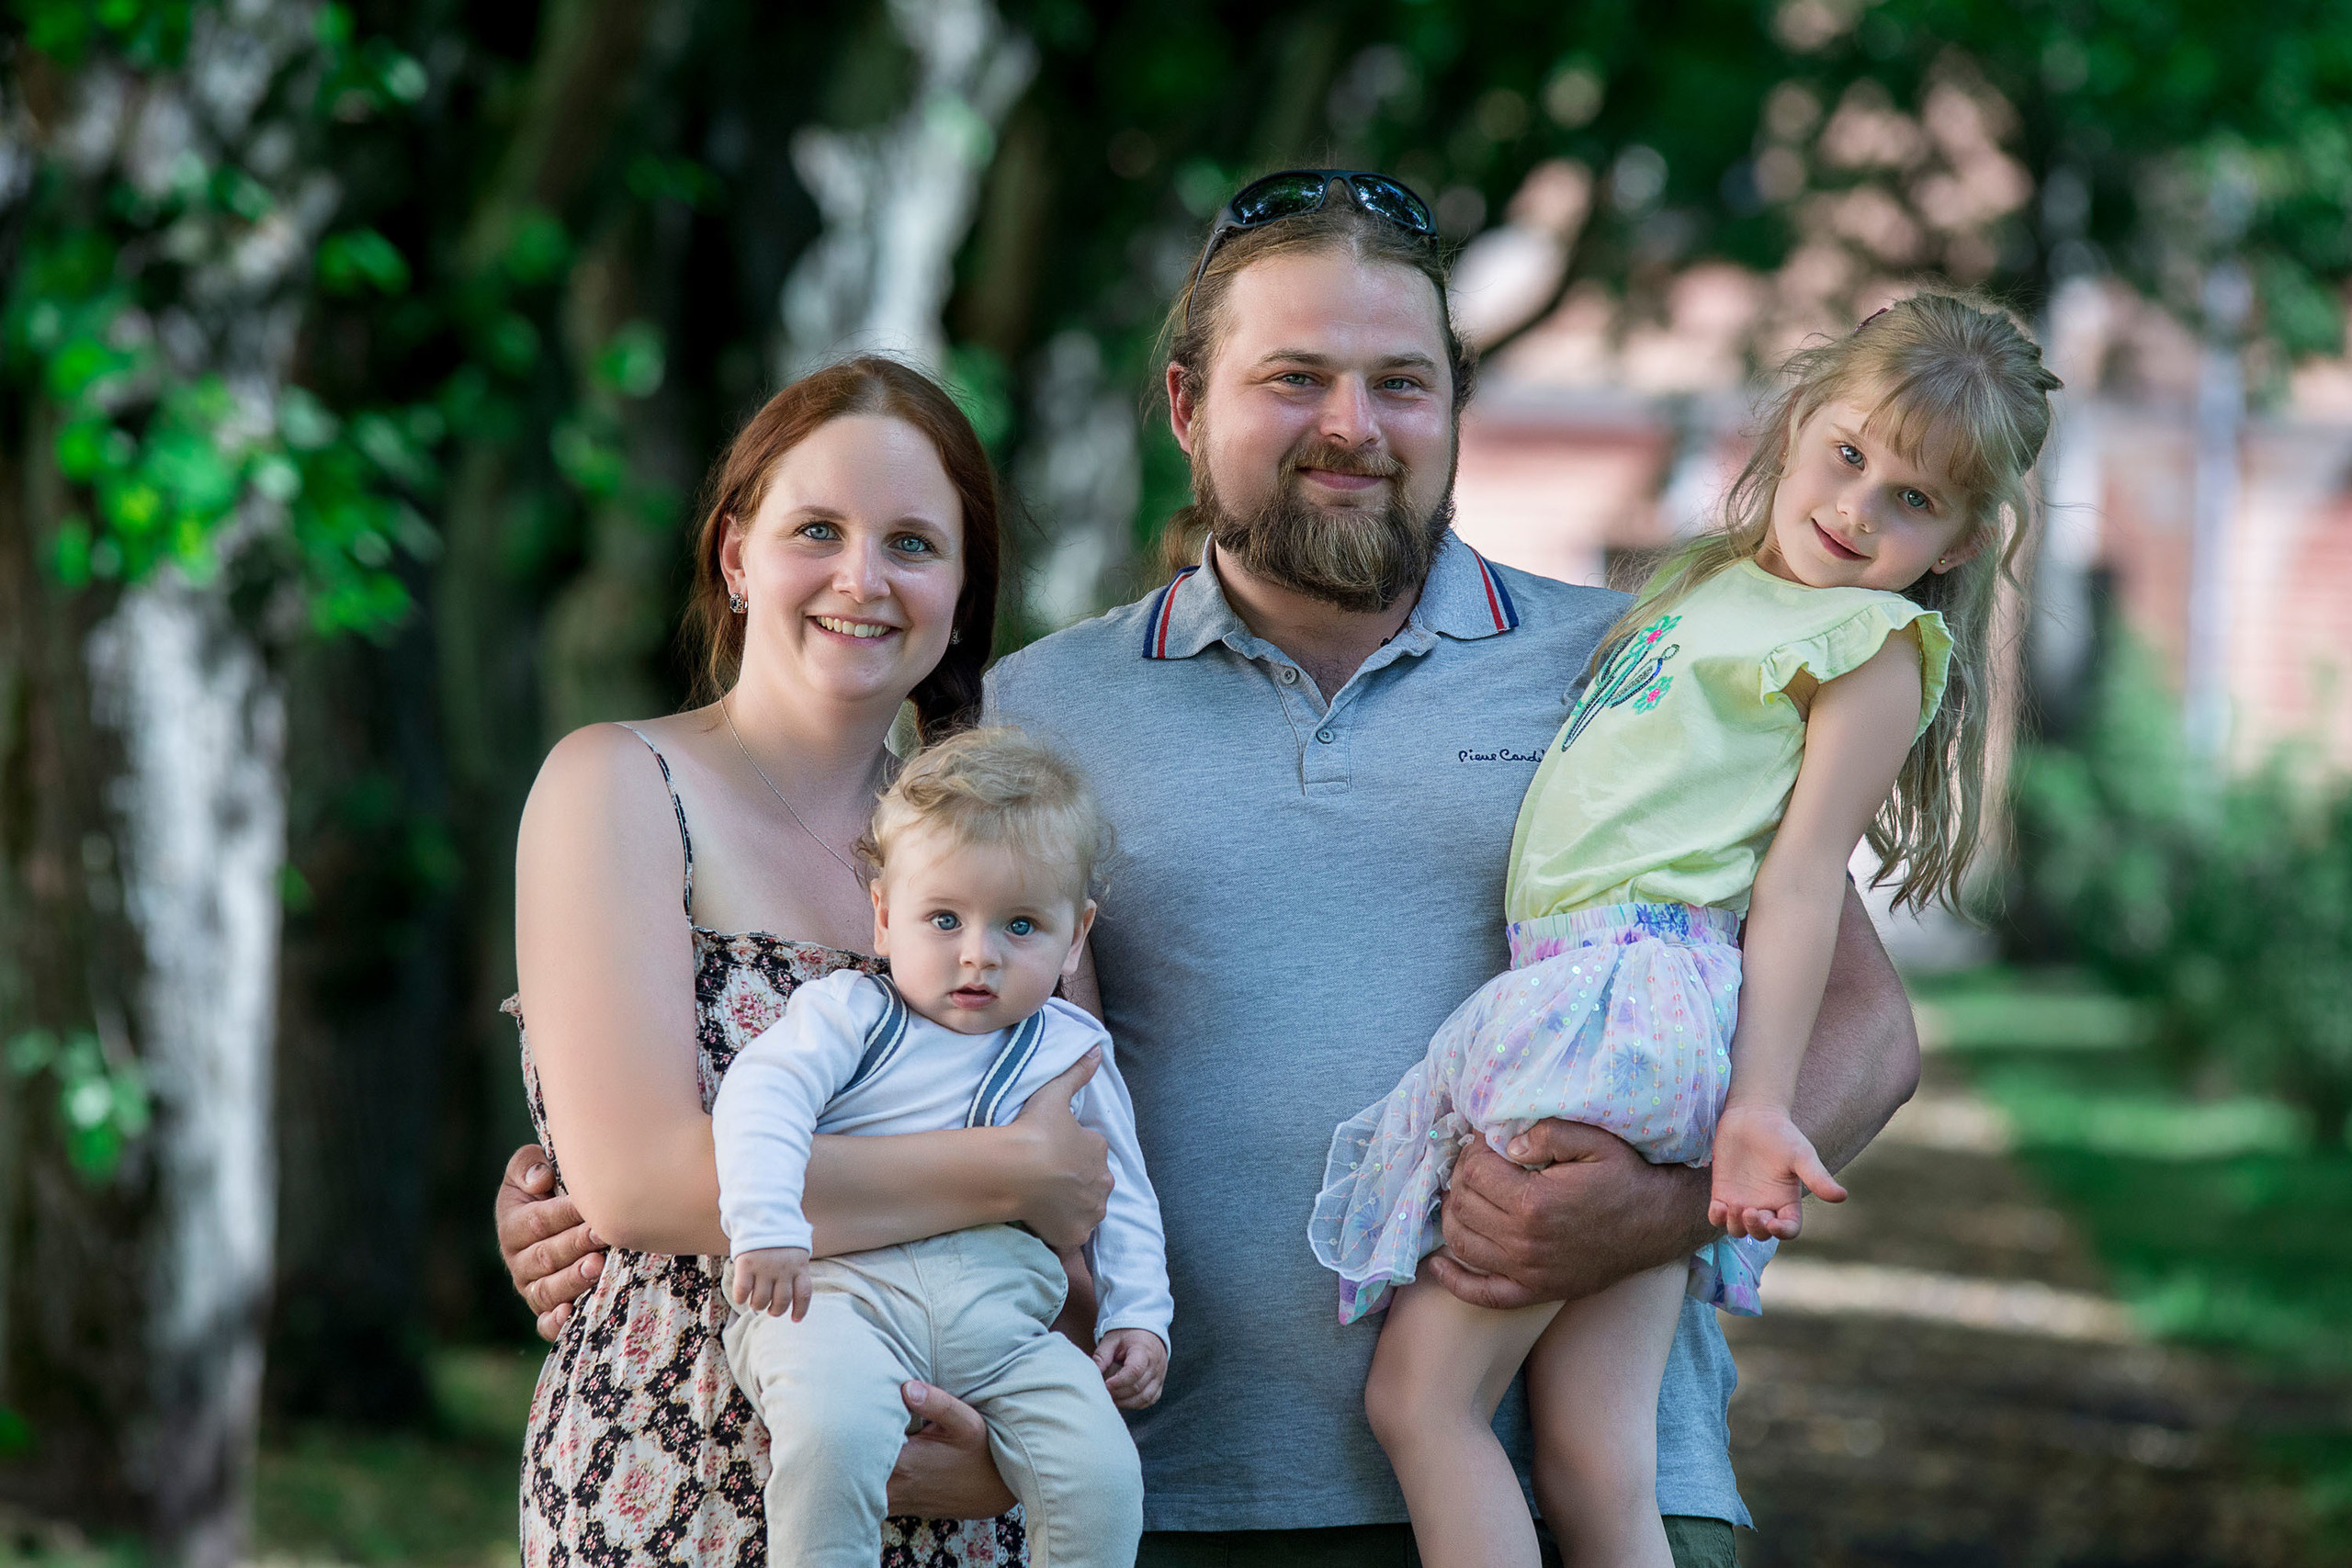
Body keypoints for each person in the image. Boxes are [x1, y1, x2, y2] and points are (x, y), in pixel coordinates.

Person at [503, 173, 1924, 1568]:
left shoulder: (1641, 663)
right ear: (1188, 408)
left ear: (1456, 410)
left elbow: (1862, 1024)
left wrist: (1660, 1205)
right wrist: (612, 1206)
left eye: (1402, 382)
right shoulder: (1030, 716)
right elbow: (932, 1044)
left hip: (1586, 1493)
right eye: (1294, 377)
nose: (1352, 428)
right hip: (1175, 1494)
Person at [1310, 292, 2061, 1567]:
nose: (1859, 507)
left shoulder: (1870, 640)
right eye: (1850, 453)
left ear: (1966, 537)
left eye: (1913, 501)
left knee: (1421, 1399)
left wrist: (1760, 1106)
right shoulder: (1706, 589)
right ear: (1801, 414)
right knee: (1601, 1453)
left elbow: (1801, 880)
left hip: (1624, 1010)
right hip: (1604, 1001)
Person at [506, 355, 1116, 1568]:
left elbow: (1087, 1227)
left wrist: (1004, 1444)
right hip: (670, 1474)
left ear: (959, 588)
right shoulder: (620, 784)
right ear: (736, 555)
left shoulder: (1005, 856)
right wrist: (1007, 1167)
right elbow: (641, 1182)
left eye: (911, 542)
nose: (861, 578)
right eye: (818, 529)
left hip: (955, 1486)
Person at [714, 727, 1170, 1568]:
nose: (978, 954)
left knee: (1101, 1467)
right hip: (836, 1295)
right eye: (945, 917)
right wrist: (768, 1221)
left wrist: (1141, 1313)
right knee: (832, 1429)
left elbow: (1124, 1192)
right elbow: (762, 1093)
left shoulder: (1069, 1048)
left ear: (1077, 938)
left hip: (1002, 1319)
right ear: (884, 915)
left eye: (1022, 925)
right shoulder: (852, 1013)